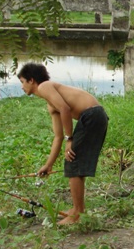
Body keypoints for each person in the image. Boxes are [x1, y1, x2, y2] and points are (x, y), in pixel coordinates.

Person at [17, 63, 108, 225]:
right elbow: (58, 137)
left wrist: (70, 139)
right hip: (93, 116)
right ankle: (76, 210)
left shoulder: (45, 86)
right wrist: (48, 165)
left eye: (23, 81)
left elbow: (65, 109)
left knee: (72, 160)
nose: (22, 86)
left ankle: (77, 214)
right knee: (74, 161)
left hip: (92, 114)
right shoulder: (50, 104)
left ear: (31, 80)